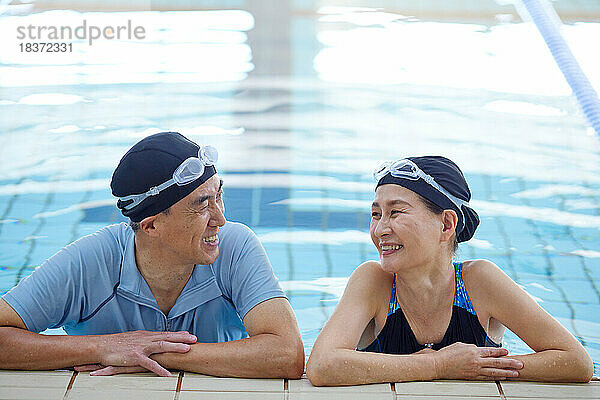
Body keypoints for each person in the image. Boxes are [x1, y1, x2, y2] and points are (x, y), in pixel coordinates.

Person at [0, 132, 304, 378]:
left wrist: (159, 351)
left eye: (218, 196)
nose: (220, 219)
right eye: (201, 205)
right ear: (152, 225)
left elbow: (288, 354)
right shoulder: (93, 261)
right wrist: (103, 347)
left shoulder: (235, 247)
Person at [306, 156, 593, 385]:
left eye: (396, 212)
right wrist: (438, 365)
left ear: (446, 225)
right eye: (376, 214)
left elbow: (575, 361)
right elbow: (322, 365)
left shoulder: (480, 282)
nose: (380, 229)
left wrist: (478, 368)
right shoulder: (374, 281)